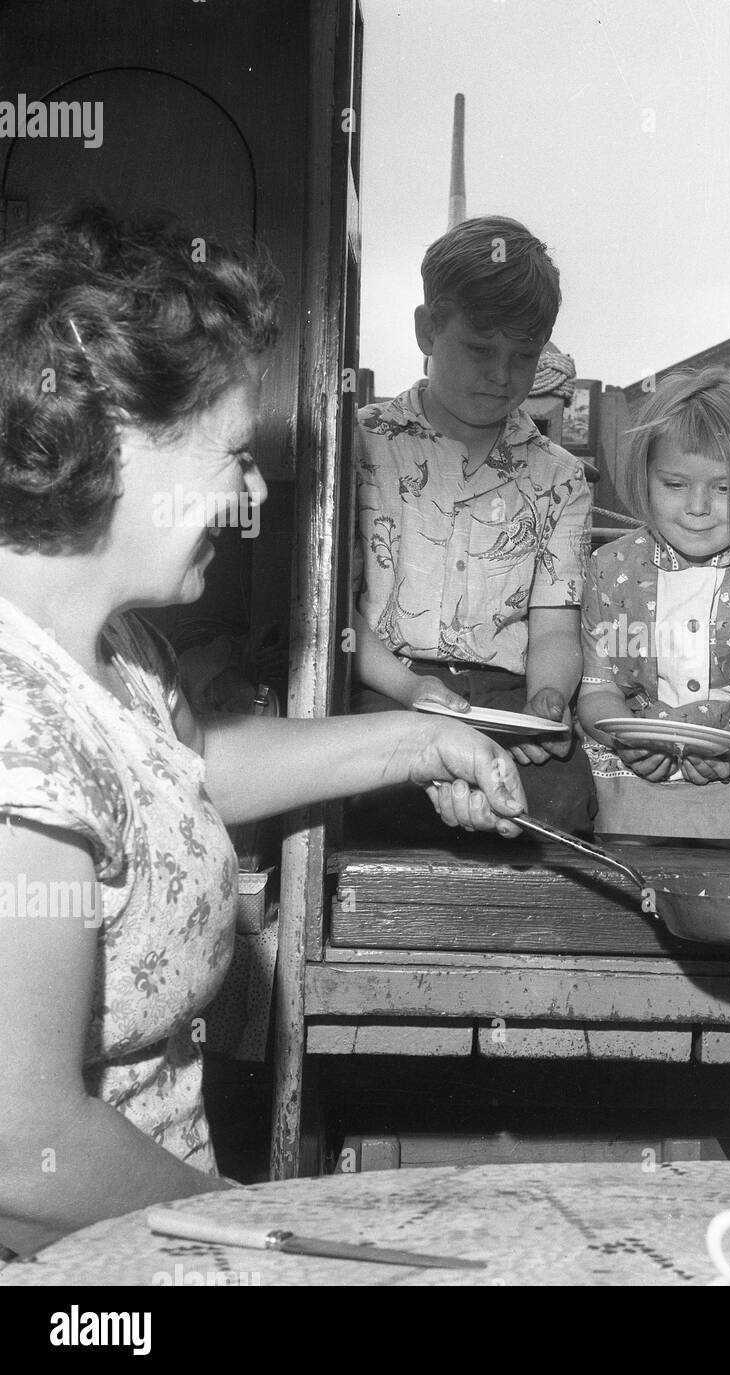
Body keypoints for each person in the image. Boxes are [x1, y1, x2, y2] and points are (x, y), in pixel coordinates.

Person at [0, 205, 526, 1258]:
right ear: (113, 439)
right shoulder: (15, 736)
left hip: (154, 1239)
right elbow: (19, 1146)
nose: (250, 496)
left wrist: (419, 741)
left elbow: (182, 774)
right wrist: (256, 1231)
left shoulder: (120, 650)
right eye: (235, 456)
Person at [350, 215, 597, 838]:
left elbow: (555, 629)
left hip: (500, 701)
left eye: (524, 356)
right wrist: (410, 691)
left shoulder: (561, 479)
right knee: (363, 788)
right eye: (480, 349)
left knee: (562, 797)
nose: (501, 375)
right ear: (427, 329)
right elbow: (332, 617)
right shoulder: (356, 445)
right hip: (383, 681)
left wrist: (549, 698)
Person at [576, 368, 730, 846]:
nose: (698, 507)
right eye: (675, 484)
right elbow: (596, 692)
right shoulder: (607, 568)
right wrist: (625, 739)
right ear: (646, 477)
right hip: (630, 762)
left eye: (724, 488)